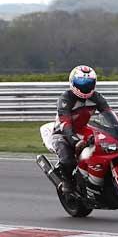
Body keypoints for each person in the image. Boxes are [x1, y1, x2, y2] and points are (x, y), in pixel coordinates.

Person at [40, 65, 111, 193]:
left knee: (107, 147)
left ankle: (99, 176)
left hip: (83, 129)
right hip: (62, 132)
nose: (85, 86)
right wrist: (74, 141)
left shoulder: (96, 97)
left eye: (88, 83)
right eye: (81, 83)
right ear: (72, 82)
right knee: (68, 160)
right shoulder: (65, 99)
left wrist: (117, 127)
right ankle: (66, 181)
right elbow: (65, 124)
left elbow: (109, 114)